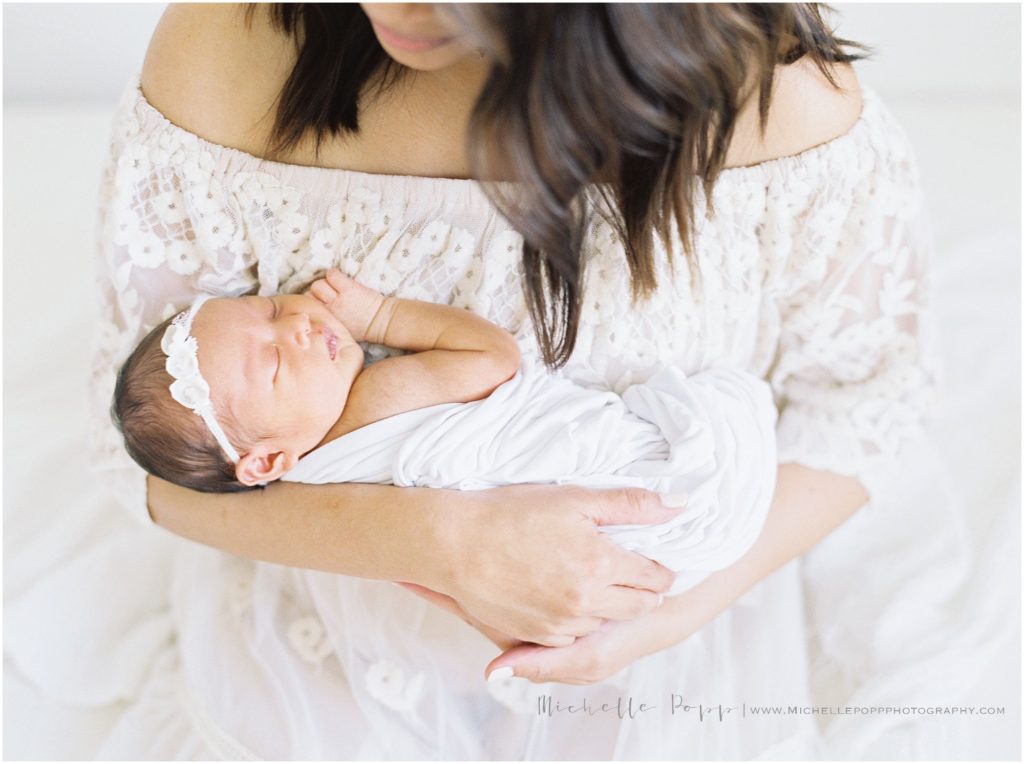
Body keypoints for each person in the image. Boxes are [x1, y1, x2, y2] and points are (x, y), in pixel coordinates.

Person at [81, 2, 932, 758]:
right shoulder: (228, 50)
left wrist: (660, 614)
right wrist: (438, 544)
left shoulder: (776, 105)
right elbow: (144, 453)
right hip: (341, 610)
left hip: (656, 622)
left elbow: (865, 406)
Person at [111, 270, 777, 595]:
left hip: (660, 553)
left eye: (269, 307)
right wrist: (382, 313)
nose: (298, 326)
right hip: (673, 482)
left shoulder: (313, 478)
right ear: (266, 462)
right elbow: (495, 360)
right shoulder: (375, 399)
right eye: (278, 362)